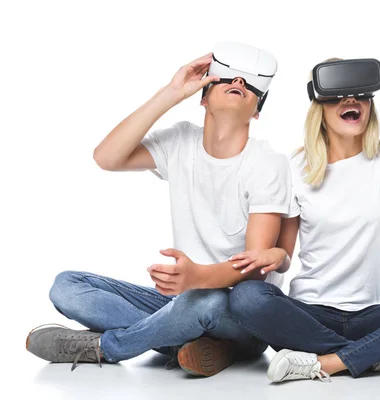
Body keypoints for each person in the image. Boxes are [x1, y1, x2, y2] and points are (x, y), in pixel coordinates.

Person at [25, 43, 291, 377]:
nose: (238, 81)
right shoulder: (180, 141)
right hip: (178, 302)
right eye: (226, 79)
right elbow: (107, 157)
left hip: (237, 312)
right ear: (203, 96)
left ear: (256, 111)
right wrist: (170, 93)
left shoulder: (268, 163)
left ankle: (106, 347)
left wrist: (199, 278)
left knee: (206, 303)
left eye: (250, 85)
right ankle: (188, 343)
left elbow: (256, 269)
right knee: (66, 286)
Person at [227, 56, 380, 382]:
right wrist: (272, 255)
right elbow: (285, 256)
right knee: (246, 299)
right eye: (338, 95)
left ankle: (328, 362)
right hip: (313, 314)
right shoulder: (295, 168)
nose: (351, 100)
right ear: (319, 105)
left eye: (360, 94)